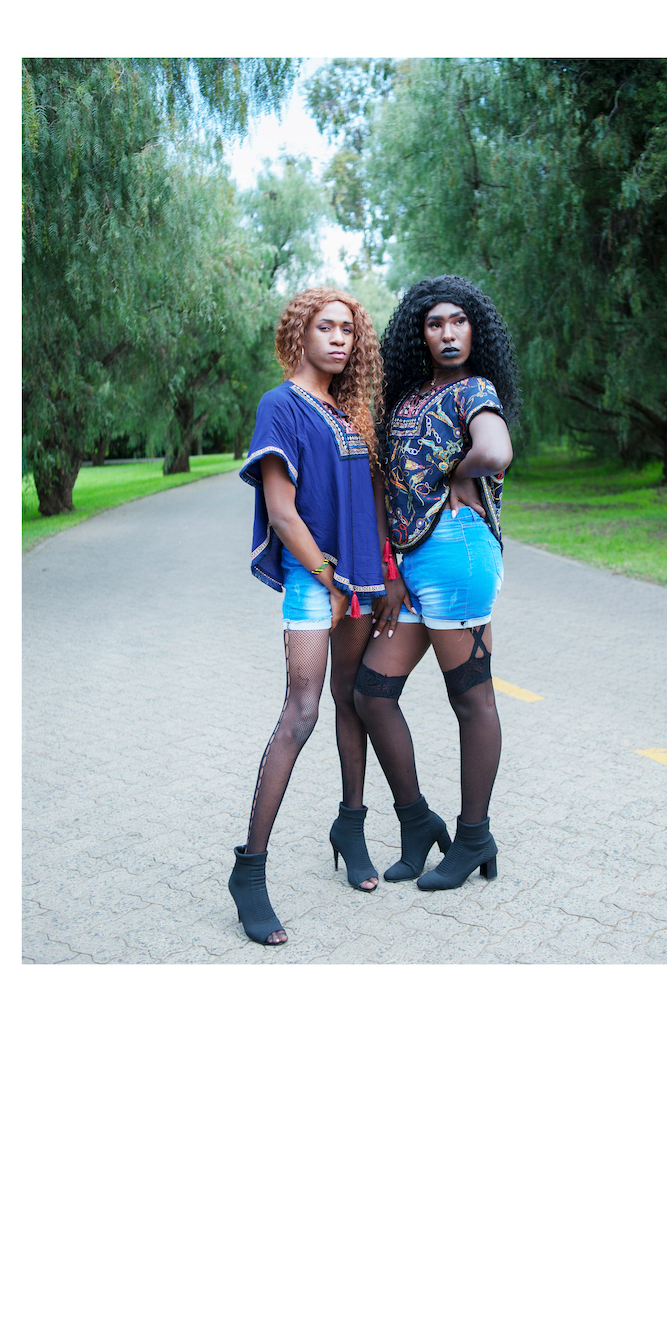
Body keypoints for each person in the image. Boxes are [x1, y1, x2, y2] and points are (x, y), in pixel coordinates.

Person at [228, 287, 395, 947]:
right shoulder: (281, 406)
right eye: (325, 326)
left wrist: (382, 573)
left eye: (348, 331)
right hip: (314, 579)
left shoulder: (353, 410)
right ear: (301, 331)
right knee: (302, 711)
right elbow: (281, 511)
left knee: (352, 699)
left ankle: (350, 826)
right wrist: (329, 577)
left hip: (360, 578)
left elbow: (376, 494)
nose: (338, 339)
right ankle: (249, 871)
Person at [353, 274, 517, 893]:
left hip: (458, 556)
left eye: (459, 321)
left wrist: (456, 471)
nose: (448, 333)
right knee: (372, 693)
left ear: (475, 329)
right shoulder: (404, 398)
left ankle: (474, 835)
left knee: (470, 700)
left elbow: (495, 450)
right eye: (434, 323)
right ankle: (417, 821)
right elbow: (382, 479)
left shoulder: (476, 389)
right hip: (410, 564)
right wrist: (389, 572)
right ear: (418, 333)